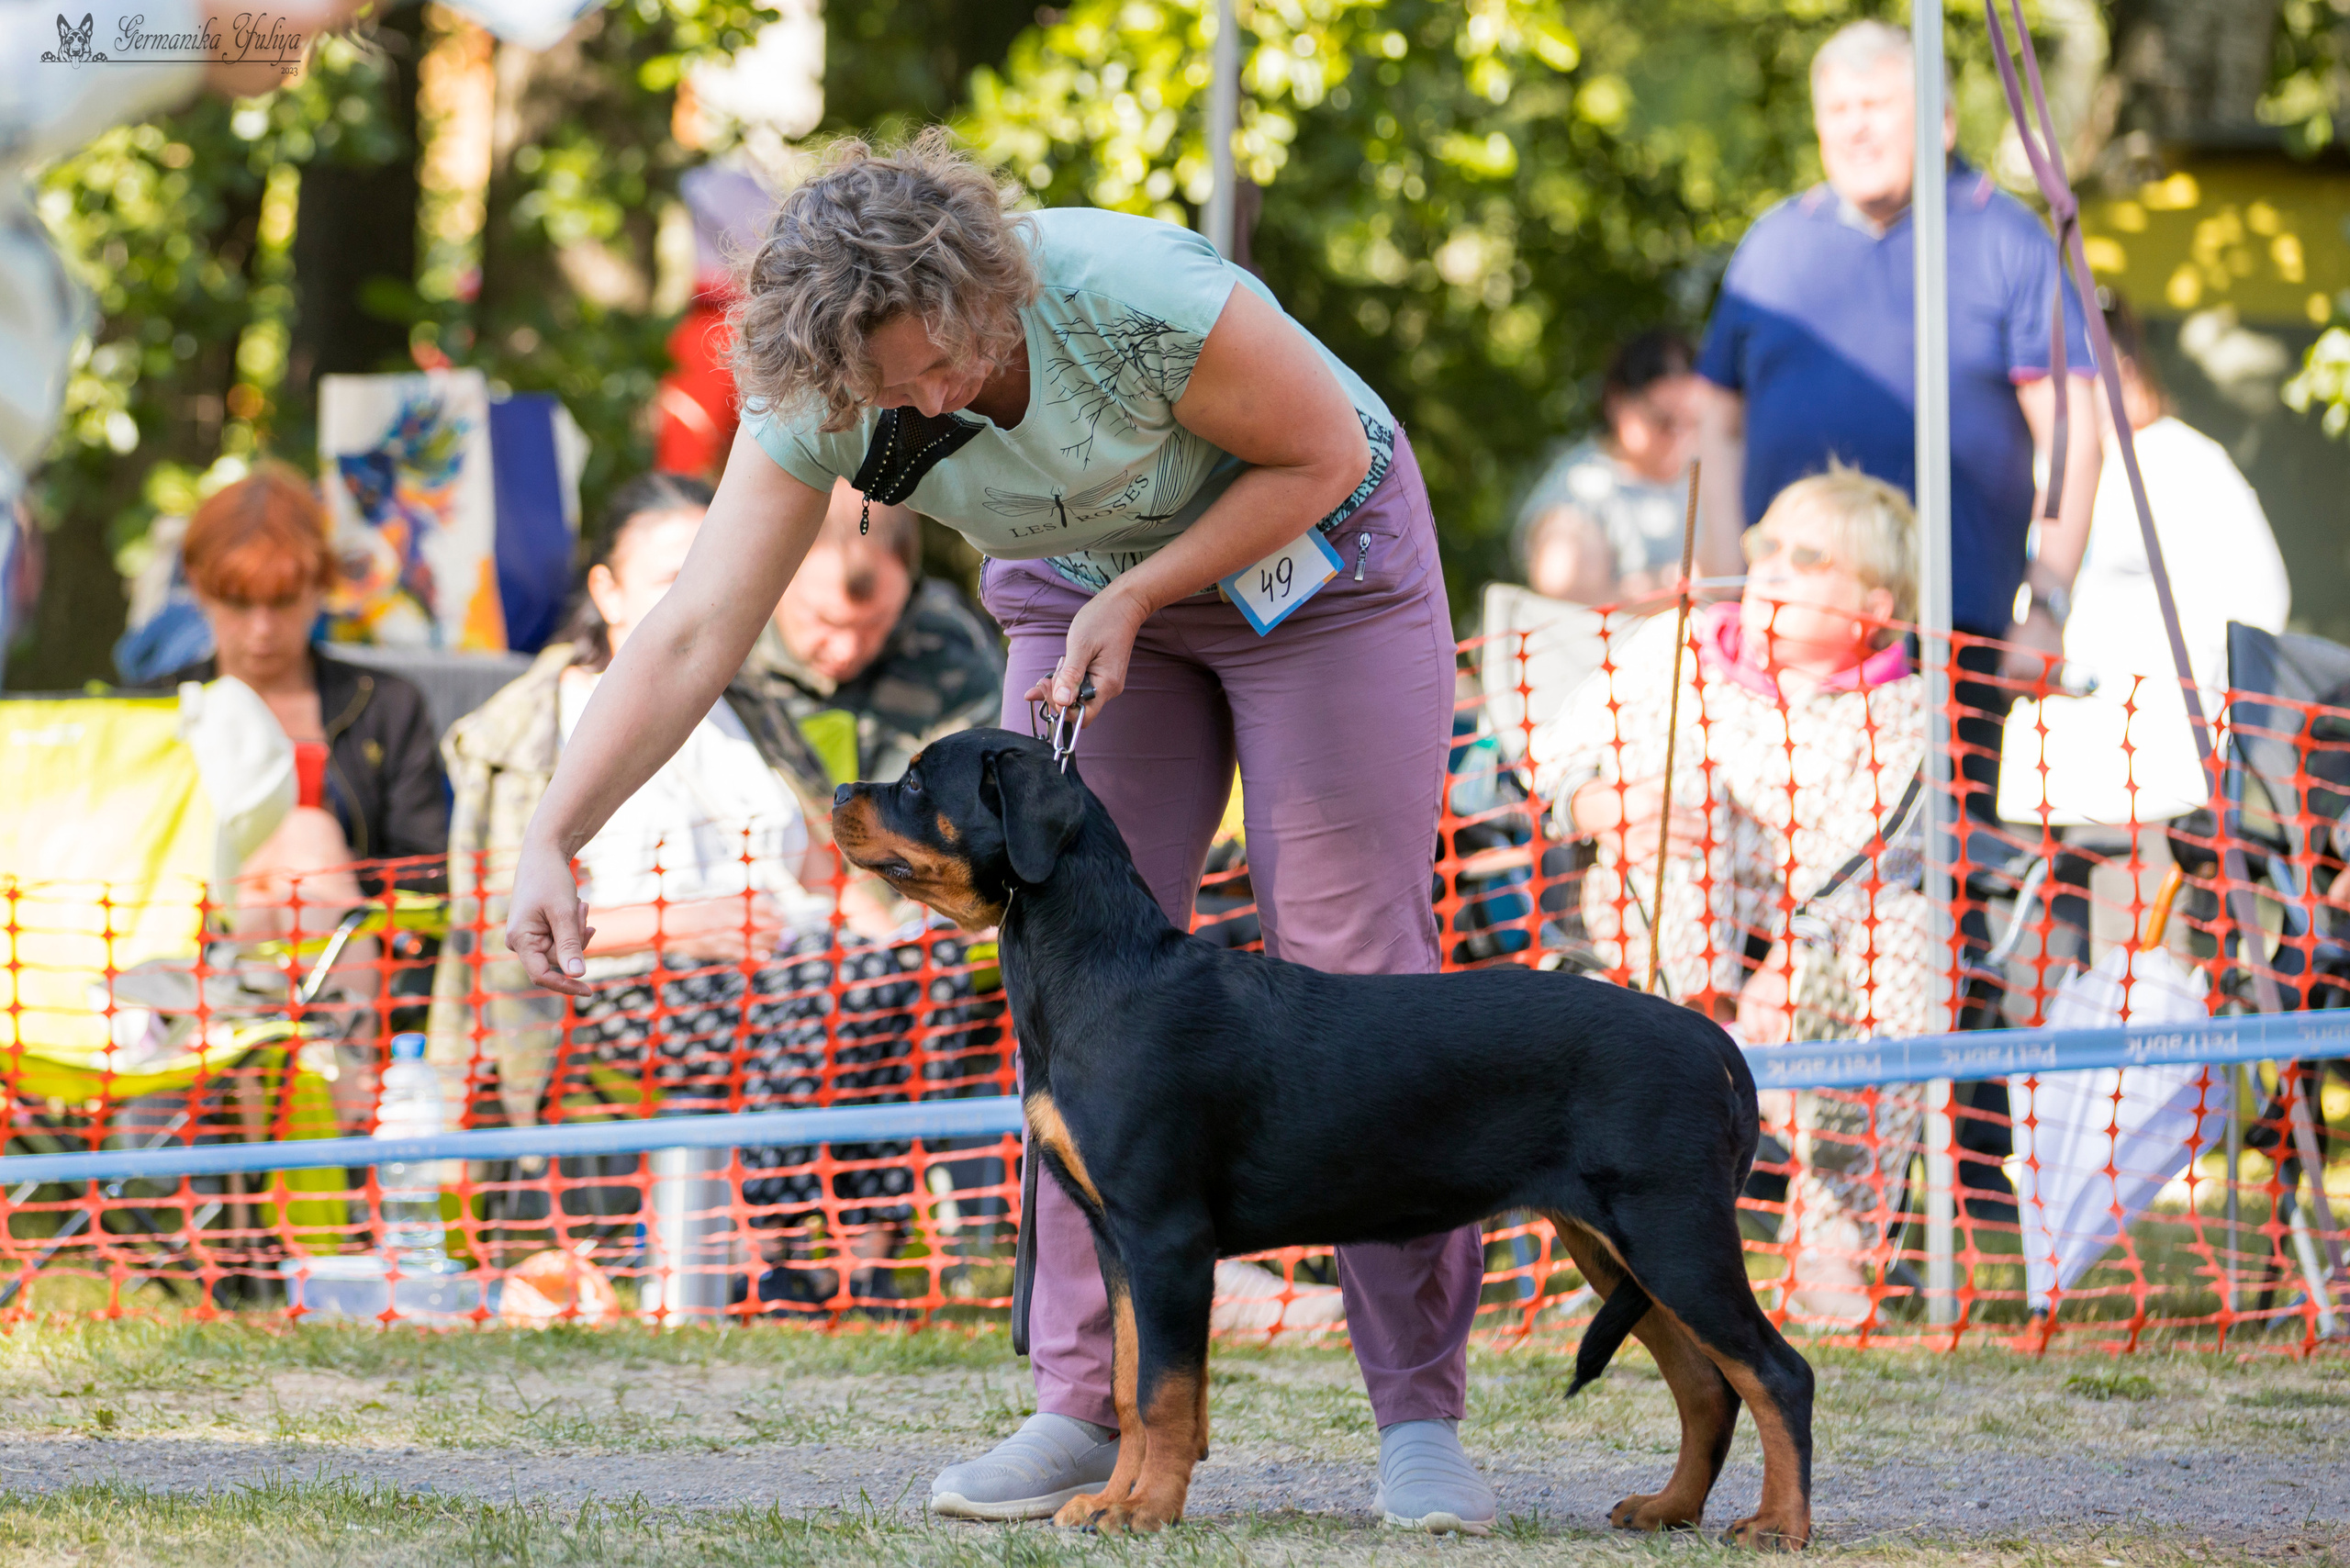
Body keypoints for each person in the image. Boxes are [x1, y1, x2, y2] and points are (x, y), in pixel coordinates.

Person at [500, 132, 1494, 1534]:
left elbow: (1324, 453)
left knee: (1349, 955)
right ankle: (1078, 1408)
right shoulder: (823, 398)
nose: (932, 401)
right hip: (1078, 595)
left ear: (987, 282)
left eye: (943, 361)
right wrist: (557, 831)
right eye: (892, 393)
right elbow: (691, 635)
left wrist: (1145, 591)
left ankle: (1418, 1419)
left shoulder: (1133, 293)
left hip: (1321, 571)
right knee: (1078, 990)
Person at [1531, 466, 1933, 1324]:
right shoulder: (1673, 650)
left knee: (1905, 935)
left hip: (1819, 953)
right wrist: (1612, 805)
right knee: (1678, 799)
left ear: (1873, 604)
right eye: (1766, 546)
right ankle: (1639, 1245)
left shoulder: (1904, 711)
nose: (1773, 569)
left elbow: (1866, 866)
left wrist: (1788, 966)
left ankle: (1836, 1247)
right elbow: (1547, 762)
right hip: (1657, 939)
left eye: (1808, 555)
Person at [1695, 19, 2100, 835]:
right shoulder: (1773, 247)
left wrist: (2047, 599)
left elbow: (2071, 437)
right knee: (1772, 888)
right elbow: (1715, 425)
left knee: (1935, 884)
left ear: (1941, 120)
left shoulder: (2005, 240)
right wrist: (1716, 589)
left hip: (1950, 638)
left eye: (1878, 103)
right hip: (1785, 639)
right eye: (1837, 107)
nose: (1856, 125)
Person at [161, 465, 449, 917]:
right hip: (196, 956)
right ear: (199, 586)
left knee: (305, 836)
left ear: (320, 586)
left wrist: (321, 866)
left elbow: (426, 873)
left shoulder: (387, 706)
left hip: (353, 954)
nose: (261, 630)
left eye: (282, 602)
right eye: (238, 603)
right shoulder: (154, 709)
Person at [743, 476, 1005, 795]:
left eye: (876, 622)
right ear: (775, 576)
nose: (847, 649)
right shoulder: (726, 648)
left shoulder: (952, 644)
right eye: (825, 620)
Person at [1513, 330, 1702, 605]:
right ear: (1618, 404)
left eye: (1692, 421)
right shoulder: (1579, 489)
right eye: (1663, 421)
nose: (1679, 435)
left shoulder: (1709, 474)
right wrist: (1692, 582)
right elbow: (1570, 599)